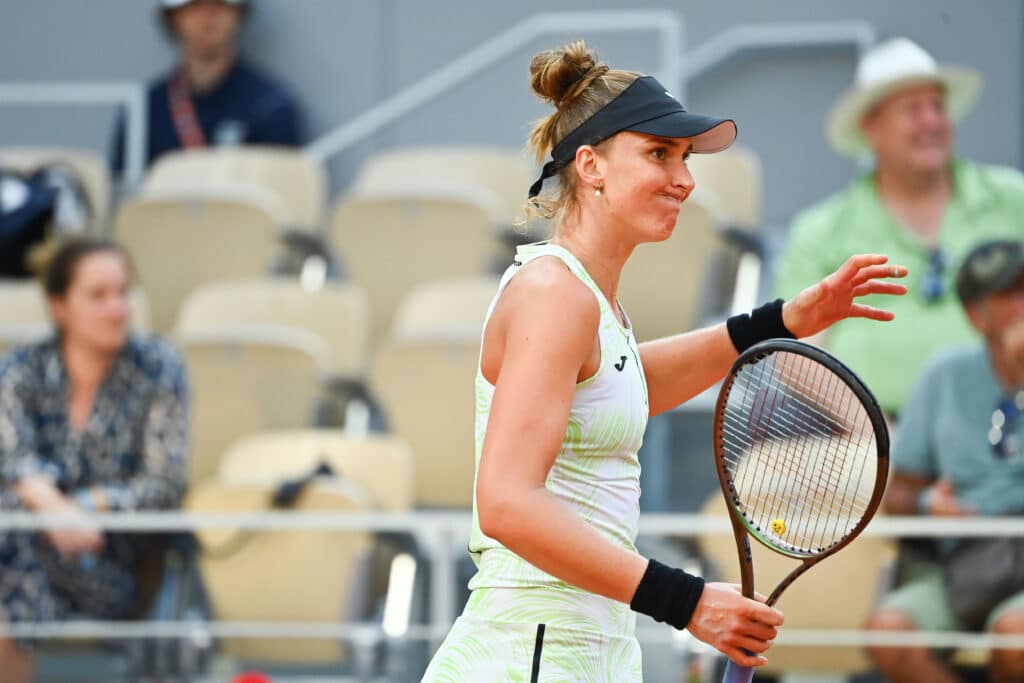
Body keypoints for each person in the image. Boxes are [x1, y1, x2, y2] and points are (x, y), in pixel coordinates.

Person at [421, 41, 908, 682]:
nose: (685, 179)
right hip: (528, 652)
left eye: (684, 157)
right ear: (590, 165)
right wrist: (689, 603)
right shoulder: (553, 294)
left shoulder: (588, 301)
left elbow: (630, 384)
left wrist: (781, 321)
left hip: (584, 645)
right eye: (659, 154)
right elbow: (507, 502)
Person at [774, 37, 1024, 416]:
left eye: (938, 107)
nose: (932, 122)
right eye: (912, 109)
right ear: (871, 128)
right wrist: (876, 434)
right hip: (875, 434)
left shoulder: (1012, 197)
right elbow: (793, 355)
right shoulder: (820, 231)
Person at [0, 238, 189, 683]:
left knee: (11, 531)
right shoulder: (23, 369)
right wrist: (52, 511)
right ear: (59, 305)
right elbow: (9, 453)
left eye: (123, 292)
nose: (117, 307)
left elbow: (163, 484)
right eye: (98, 295)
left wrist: (81, 510)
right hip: (25, 556)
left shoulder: (158, 368)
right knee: (15, 543)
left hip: (110, 565)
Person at [866, 239, 1024, 683]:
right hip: (964, 564)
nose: (1023, 304)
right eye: (1008, 294)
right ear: (977, 317)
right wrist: (926, 505)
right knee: (889, 633)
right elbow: (898, 491)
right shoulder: (945, 374)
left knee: (1015, 636)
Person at [109, 0, 303, 175]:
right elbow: (125, 194)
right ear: (172, 18)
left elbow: (281, 195)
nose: (208, 17)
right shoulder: (145, 108)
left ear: (239, 14)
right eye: (195, 7)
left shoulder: (270, 105)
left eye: (220, 6)